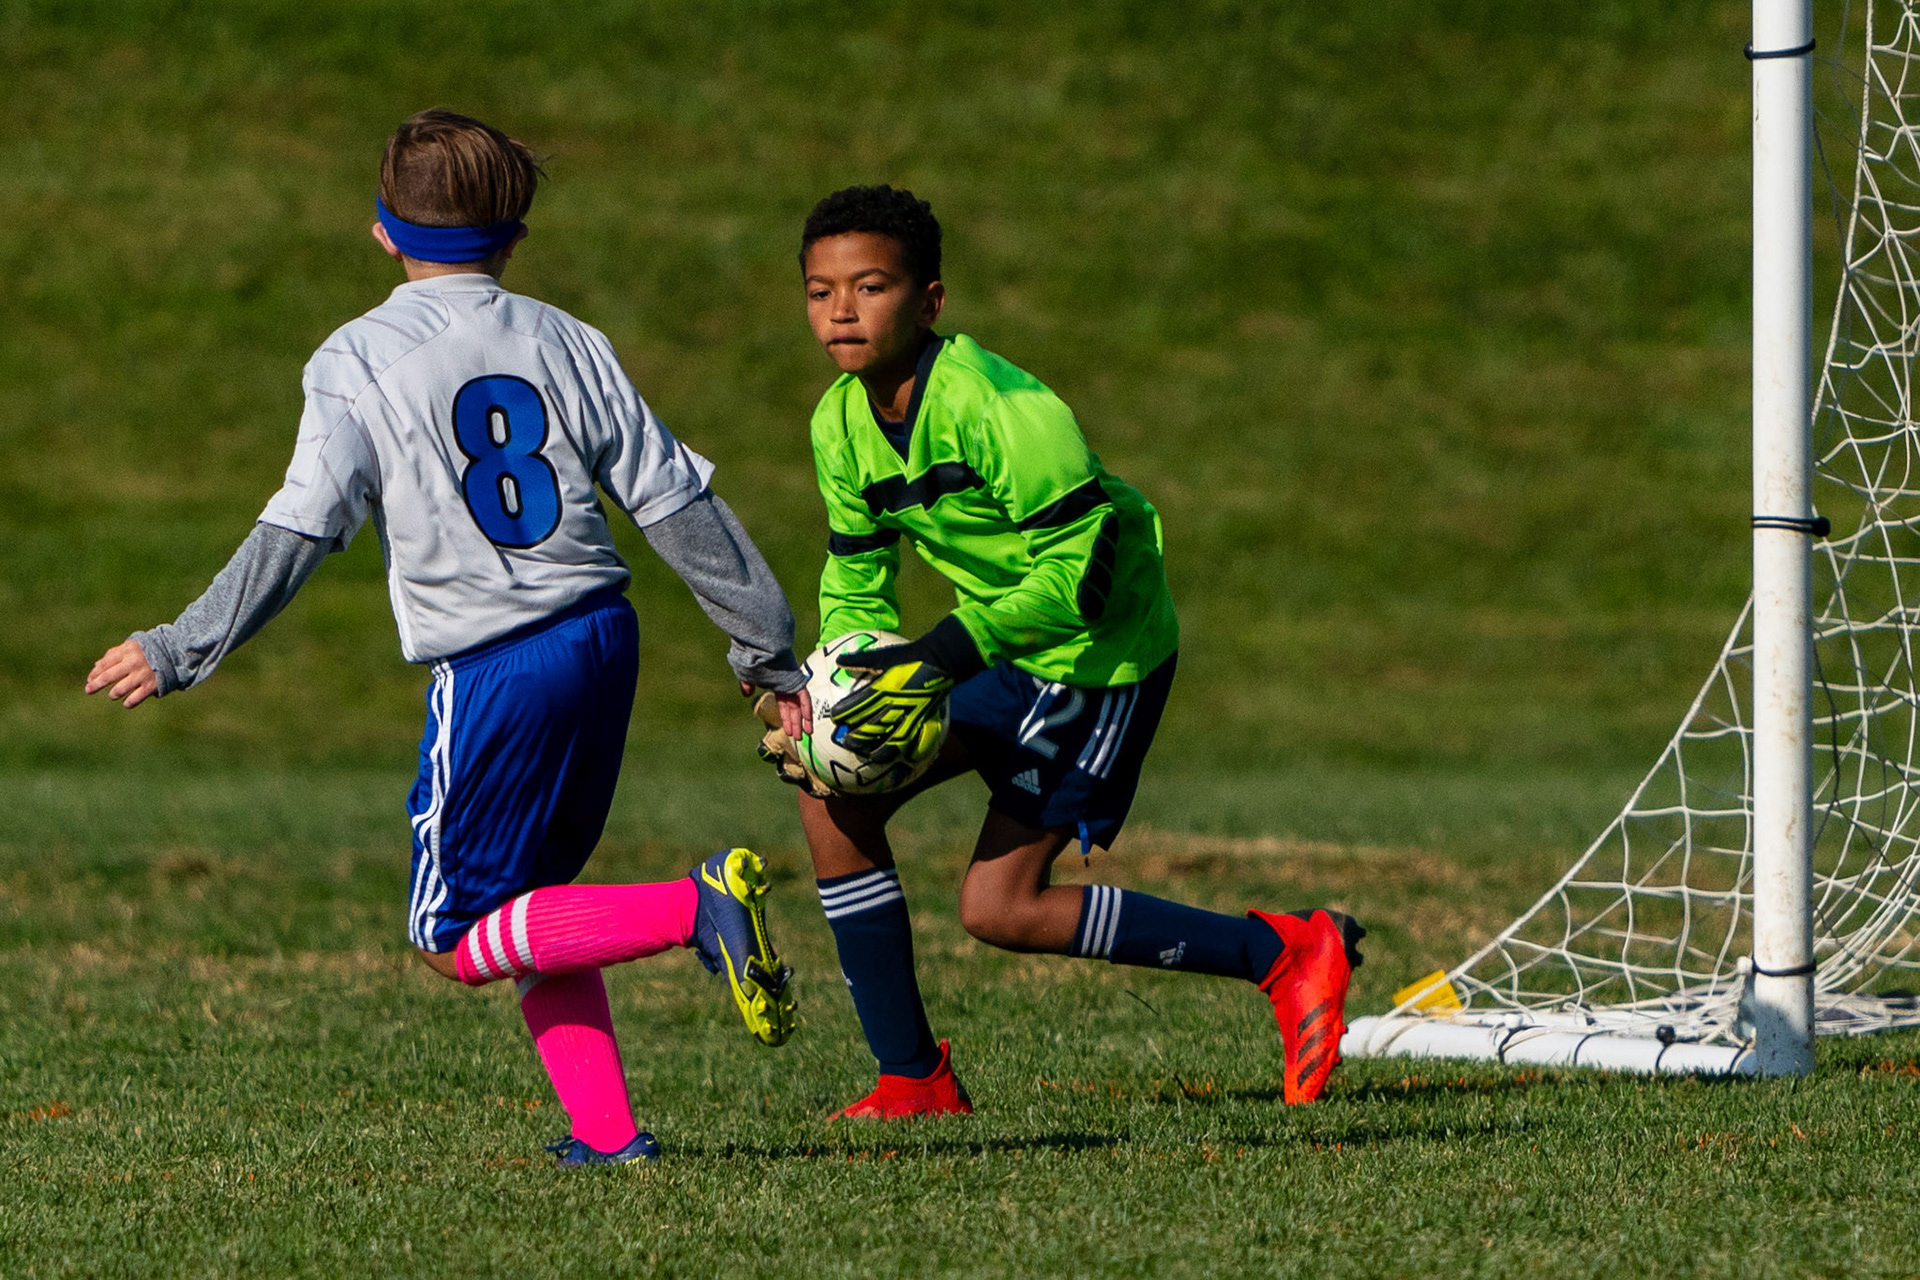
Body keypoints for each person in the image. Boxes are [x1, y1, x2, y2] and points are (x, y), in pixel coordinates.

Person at [84, 109, 809, 1165]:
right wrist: (767, 650)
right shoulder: (566, 337)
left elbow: (300, 528)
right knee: (534, 907)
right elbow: (675, 504)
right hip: (605, 638)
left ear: (381, 232)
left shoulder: (357, 355)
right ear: (516, 236)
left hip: (499, 667)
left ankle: (695, 908)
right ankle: (606, 1135)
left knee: (450, 935)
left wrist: (180, 644)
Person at [763, 185, 1364, 1118]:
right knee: (827, 791)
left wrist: (940, 654)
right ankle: (911, 1078)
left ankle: (1285, 953)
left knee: (998, 908)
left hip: (1095, 654)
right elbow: (855, 572)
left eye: (870, 286)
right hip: (995, 646)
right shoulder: (838, 421)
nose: (842, 310)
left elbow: (1083, 571)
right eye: (818, 290)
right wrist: (826, 688)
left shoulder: (1003, 406)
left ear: (929, 301)